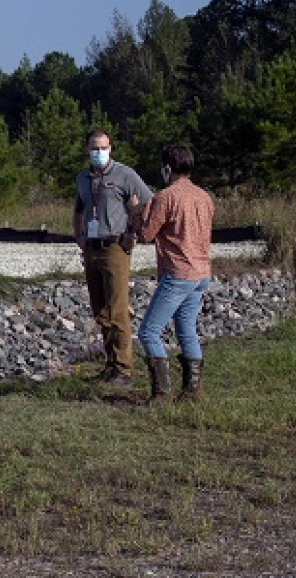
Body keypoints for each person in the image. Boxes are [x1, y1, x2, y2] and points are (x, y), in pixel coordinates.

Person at [74, 131, 154, 385]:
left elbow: (149, 202)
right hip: (92, 247)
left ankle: (124, 368)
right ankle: (110, 363)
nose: (99, 152)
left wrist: (135, 230)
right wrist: (79, 236)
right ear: (87, 149)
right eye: (94, 148)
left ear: (110, 148)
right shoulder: (83, 178)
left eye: (103, 147)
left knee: (118, 308)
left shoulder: (125, 175)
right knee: (100, 309)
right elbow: (79, 208)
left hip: (115, 247)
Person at [136, 145, 215, 402]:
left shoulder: (165, 197)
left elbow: (146, 235)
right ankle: (192, 391)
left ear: (167, 168)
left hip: (178, 272)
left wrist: (137, 212)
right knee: (187, 330)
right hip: (201, 271)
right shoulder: (204, 196)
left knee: (149, 331)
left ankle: (161, 392)